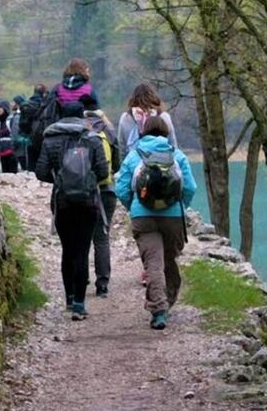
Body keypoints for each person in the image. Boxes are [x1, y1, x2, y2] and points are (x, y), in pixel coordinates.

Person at [115, 115, 196, 330]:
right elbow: (190, 188)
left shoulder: (134, 156)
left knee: (153, 263)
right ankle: (166, 303)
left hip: (143, 217)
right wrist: (180, 207)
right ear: (166, 133)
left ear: (142, 133)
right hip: (172, 217)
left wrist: (133, 206)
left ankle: (158, 310)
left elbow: (121, 189)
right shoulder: (176, 155)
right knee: (168, 261)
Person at [36, 101, 109, 321]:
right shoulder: (92, 138)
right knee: (83, 250)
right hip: (88, 203)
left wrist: (60, 180)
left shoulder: (50, 139)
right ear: (82, 116)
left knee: (68, 250)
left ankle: (68, 298)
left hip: (62, 202)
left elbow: (40, 171)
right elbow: (103, 171)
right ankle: (79, 304)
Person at [81, 93, 118, 297]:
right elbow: (118, 159)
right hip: (107, 190)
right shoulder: (108, 129)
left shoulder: (80, 129)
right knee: (102, 238)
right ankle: (102, 283)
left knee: (83, 237)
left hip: (84, 191)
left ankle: (82, 279)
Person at [118, 83, 177, 158]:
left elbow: (122, 150)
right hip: (163, 163)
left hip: (133, 164)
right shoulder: (164, 117)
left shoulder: (125, 118)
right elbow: (173, 147)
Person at [21, 84, 47, 171]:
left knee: (31, 164)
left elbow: (21, 125)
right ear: (43, 93)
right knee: (43, 163)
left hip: (29, 139)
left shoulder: (26, 105)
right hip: (42, 138)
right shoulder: (45, 105)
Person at [0, 101, 18, 173]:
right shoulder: (0, 122)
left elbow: (14, 135)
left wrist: (15, 151)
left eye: (0, 107)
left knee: (13, 176)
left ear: (5, 109)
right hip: (2, 154)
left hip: (11, 154)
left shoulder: (10, 120)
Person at [9, 95, 29, 170]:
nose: (11, 104)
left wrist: (12, 146)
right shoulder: (25, 114)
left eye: (13, 102)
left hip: (20, 150)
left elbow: (15, 133)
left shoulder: (17, 117)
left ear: (17, 104)